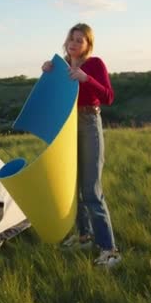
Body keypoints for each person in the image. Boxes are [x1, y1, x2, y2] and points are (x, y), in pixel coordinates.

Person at [41, 23, 121, 268]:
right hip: (67, 124)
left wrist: (86, 79)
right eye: (71, 39)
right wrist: (47, 73)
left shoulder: (95, 64)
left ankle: (110, 250)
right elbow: (51, 95)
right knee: (72, 186)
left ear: (88, 45)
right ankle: (84, 236)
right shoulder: (62, 66)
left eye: (80, 40)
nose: (74, 44)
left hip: (88, 122)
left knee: (91, 190)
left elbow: (108, 96)